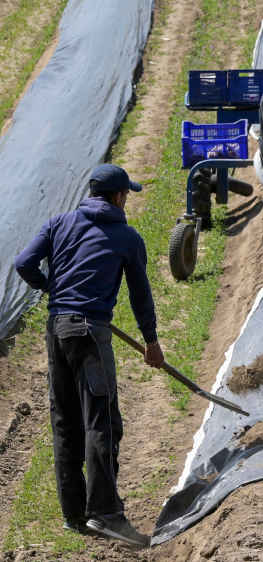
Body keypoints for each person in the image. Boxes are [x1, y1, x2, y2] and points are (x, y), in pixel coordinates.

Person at [14, 163, 164, 548]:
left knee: (65, 420)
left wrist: (54, 291)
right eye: (126, 194)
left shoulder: (58, 223)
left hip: (57, 329)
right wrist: (151, 341)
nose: (126, 200)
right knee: (102, 422)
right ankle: (107, 515)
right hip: (90, 336)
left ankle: (75, 515)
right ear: (117, 197)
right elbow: (140, 295)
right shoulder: (126, 237)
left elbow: (23, 264)